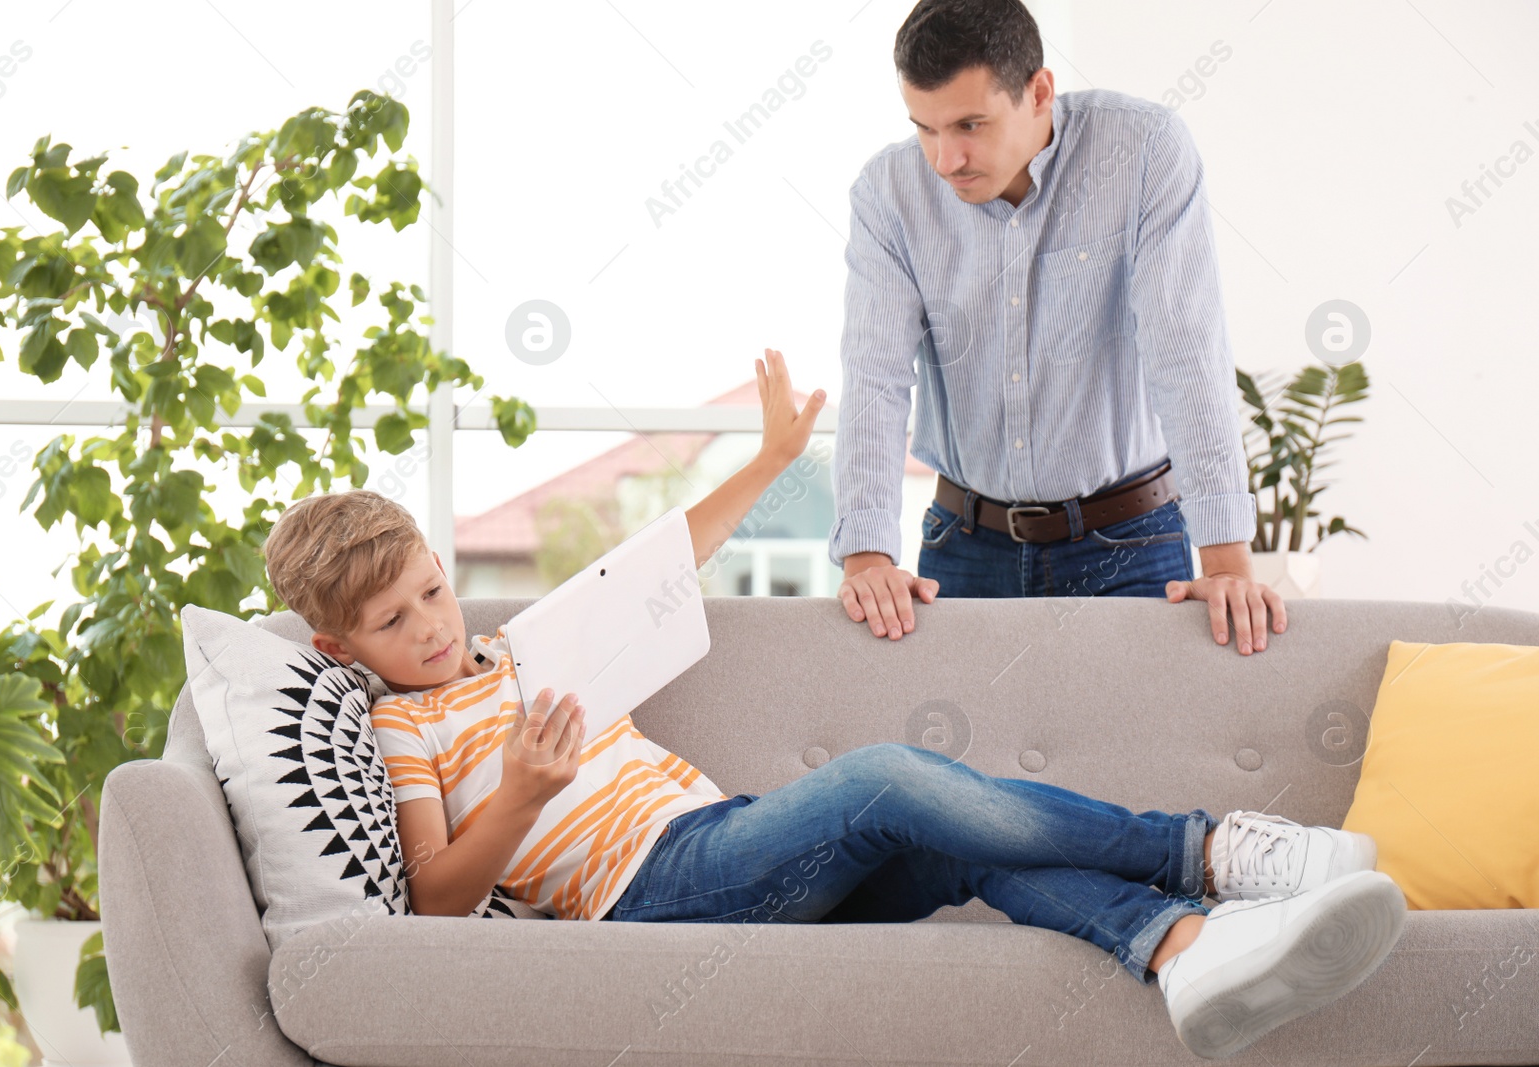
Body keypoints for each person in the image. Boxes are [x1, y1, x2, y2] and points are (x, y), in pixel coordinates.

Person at [261, 350, 1403, 1061]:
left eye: (429, 591)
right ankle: (1208, 850)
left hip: (730, 844)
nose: (430, 627)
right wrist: (515, 795)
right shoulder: (398, 727)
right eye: (393, 624)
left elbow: (663, 563)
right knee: (888, 775)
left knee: (955, 834)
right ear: (335, 646)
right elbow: (429, 896)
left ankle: (1183, 949)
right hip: (651, 896)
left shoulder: (518, 650)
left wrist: (768, 461)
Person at [831, 0, 1288, 659]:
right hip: (961, 548)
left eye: (969, 124)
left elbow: (1184, 352)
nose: (945, 159)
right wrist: (866, 556)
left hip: (1129, 543)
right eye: (924, 129)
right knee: (954, 757)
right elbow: (874, 376)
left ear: (1039, 91)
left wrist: (1226, 565)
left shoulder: (1144, 152)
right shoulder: (887, 194)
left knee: (1132, 761)